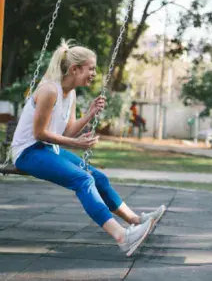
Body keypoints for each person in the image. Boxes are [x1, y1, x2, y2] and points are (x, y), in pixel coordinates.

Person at [11, 39, 166, 257]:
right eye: (90, 68)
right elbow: (39, 134)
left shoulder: (71, 93)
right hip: (28, 152)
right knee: (83, 179)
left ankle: (135, 220)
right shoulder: (49, 90)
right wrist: (76, 144)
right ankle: (122, 236)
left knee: (99, 178)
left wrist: (90, 113)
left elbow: (68, 131)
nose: (94, 73)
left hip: (46, 150)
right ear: (75, 69)